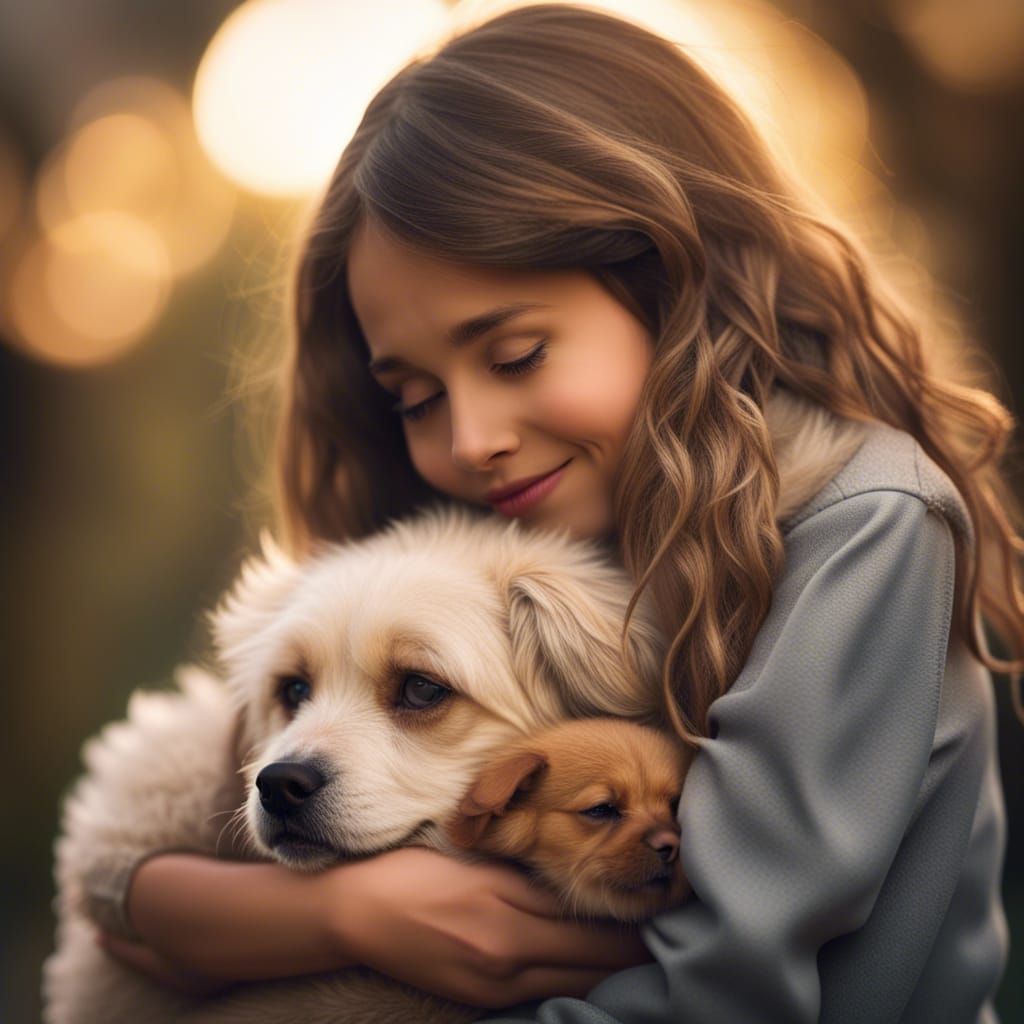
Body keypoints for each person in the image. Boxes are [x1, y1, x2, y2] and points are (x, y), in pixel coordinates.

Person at [93, 4, 1019, 1021]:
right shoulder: (507, 543)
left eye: (516, 354)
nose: (469, 437)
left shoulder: (864, 529)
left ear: (673, 283)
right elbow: (145, 855)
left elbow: (725, 988)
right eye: (413, 396)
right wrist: (323, 915)